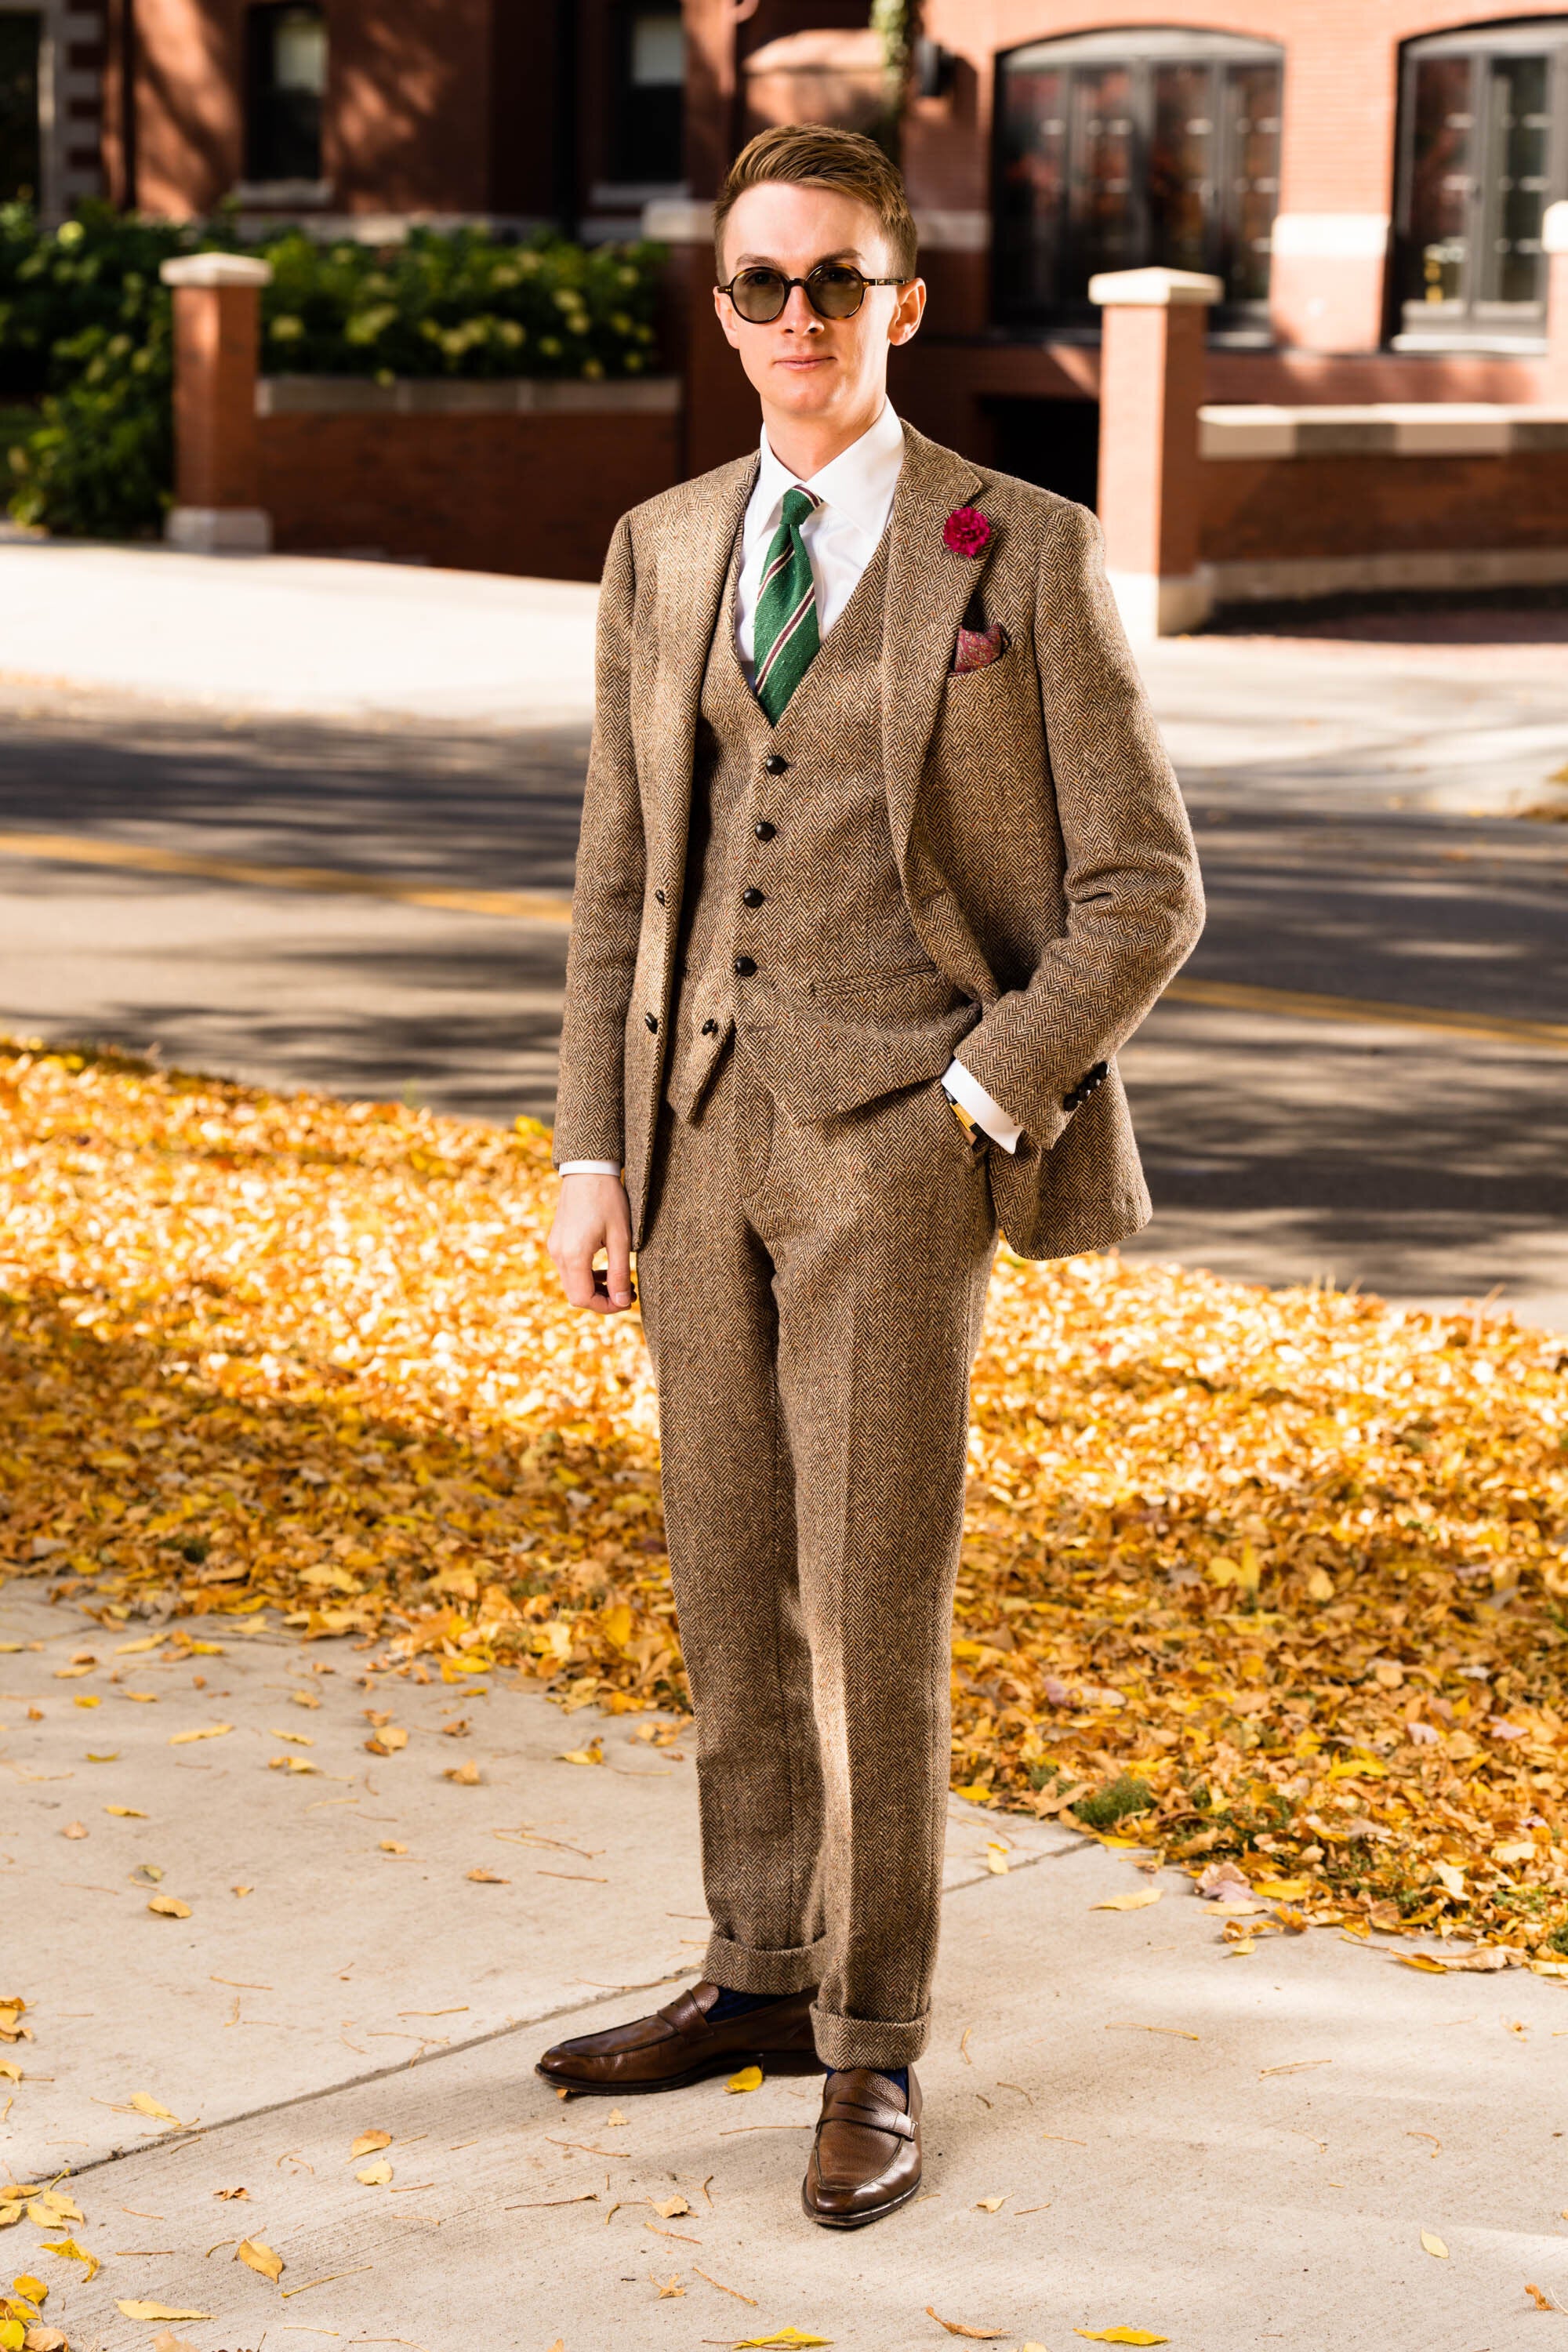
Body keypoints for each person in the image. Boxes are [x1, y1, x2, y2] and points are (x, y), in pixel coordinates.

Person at [537, 122, 1203, 2230]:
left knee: (875, 1615)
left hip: (903, 1149)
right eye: (763, 284)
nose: (799, 318)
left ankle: (875, 2043)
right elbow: (620, 879)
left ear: (901, 304)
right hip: (693, 1132)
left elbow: (1146, 892)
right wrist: (585, 1144)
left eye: (838, 282)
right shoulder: (659, 547)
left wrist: (986, 1103)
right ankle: (757, 1964)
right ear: (722, 306)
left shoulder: (1020, 549)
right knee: (730, 1579)